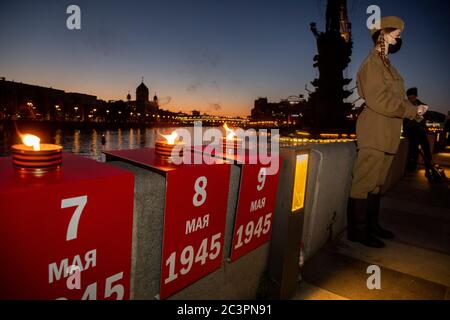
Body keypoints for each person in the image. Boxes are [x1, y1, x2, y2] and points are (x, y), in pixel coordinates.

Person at [348, 16, 428, 248]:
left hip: (387, 132)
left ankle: (371, 225)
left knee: (376, 183)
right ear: (382, 34)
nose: (399, 38)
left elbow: (392, 99)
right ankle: (357, 231)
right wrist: (411, 110)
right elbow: (380, 100)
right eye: (396, 34)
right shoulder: (372, 63)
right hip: (374, 130)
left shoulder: (386, 64)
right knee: (364, 183)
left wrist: (414, 109)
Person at [403, 88, 436, 180]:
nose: (411, 100)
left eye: (412, 97)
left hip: (421, 132)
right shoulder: (405, 106)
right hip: (412, 133)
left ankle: (428, 170)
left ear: (416, 96)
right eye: (409, 98)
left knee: (427, 152)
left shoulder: (423, 106)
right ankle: (411, 169)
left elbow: (424, 118)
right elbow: (405, 122)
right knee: (412, 153)